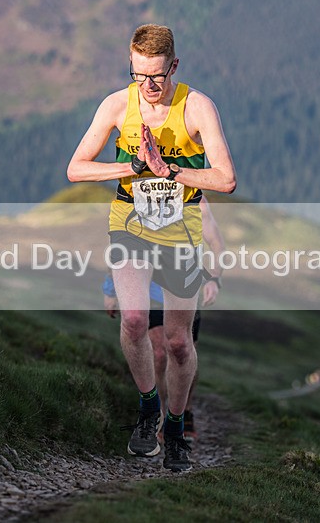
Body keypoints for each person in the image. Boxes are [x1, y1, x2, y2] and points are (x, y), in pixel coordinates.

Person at [68, 23, 236, 472]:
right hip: (131, 224)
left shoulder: (197, 107)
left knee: (180, 343)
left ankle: (177, 428)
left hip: (181, 232)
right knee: (136, 319)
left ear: (174, 67)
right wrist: (132, 164)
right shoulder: (116, 105)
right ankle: (148, 410)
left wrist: (171, 172)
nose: (148, 87)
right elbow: (76, 168)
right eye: (138, 75)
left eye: (156, 77)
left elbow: (226, 179)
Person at [103, 197, 225, 443]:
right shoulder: (138, 190)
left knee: (182, 349)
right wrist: (110, 289)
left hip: (184, 286)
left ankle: (183, 410)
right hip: (151, 291)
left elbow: (216, 244)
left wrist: (214, 278)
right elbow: (122, 245)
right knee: (158, 353)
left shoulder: (197, 200)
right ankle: (156, 413)